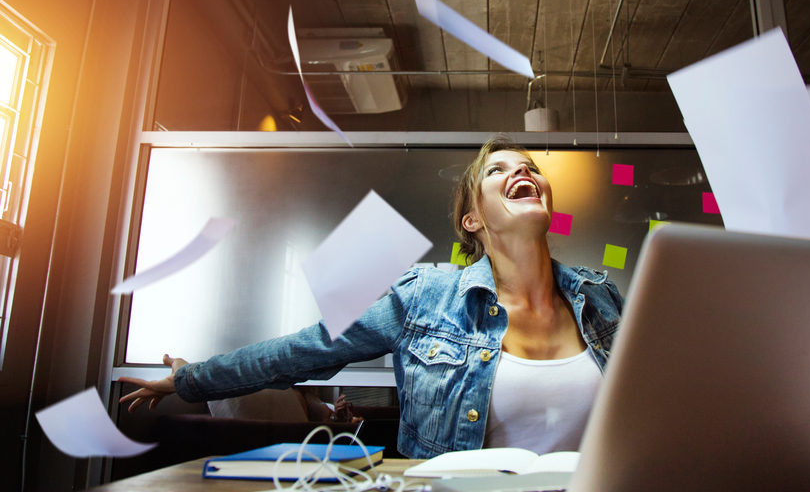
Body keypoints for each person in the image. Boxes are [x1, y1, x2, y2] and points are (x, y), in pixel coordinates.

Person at [119, 135, 624, 458]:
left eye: (531, 167)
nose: (523, 173)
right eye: (499, 170)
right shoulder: (425, 297)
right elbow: (303, 350)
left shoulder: (602, 296)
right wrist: (190, 380)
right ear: (473, 220)